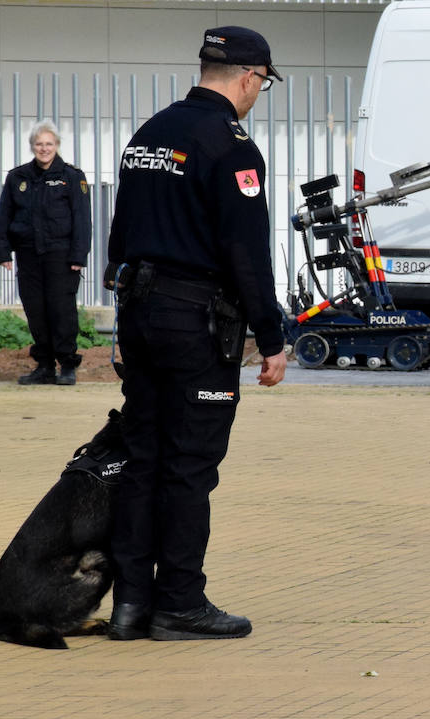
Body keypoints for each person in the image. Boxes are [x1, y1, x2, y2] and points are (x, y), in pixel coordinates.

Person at [102, 26, 287, 641]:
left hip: (140, 311)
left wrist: (129, 306)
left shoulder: (150, 132)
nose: (258, 94)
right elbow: (245, 250)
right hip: (197, 323)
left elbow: (120, 233)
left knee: (142, 459)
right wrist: (273, 333)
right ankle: (179, 602)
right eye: (261, 84)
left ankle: (129, 606)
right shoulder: (231, 146)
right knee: (188, 467)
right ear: (247, 78)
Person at [0, 122, 92, 385]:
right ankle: (44, 365)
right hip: (28, 255)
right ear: (32, 146)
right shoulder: (17, 177)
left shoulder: (72, 176)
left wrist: (78, 256)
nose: (44, 149)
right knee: (35, 311)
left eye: (49, 144)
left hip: (60, 255)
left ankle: (67, 365)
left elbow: (82, 219)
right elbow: (4, 216)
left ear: (57, 146)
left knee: (61, 311)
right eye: (39, 144)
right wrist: (3, 251)